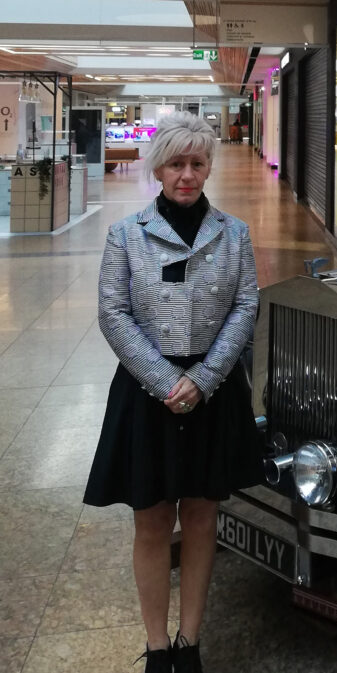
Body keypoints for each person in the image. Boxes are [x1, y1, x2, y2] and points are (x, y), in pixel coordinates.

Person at [84, 111, 262, 673]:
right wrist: (165, 381)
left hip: (212, 390)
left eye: (197, 163)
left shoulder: (233, 234)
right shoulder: (125, 235)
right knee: (153, 517)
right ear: (158, 167)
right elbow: (112, 313)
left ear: (209, 166)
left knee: (204, 513)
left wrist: (204, 379)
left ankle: (190, 641)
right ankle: (157, 645)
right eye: (176, 163)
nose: (187, 174)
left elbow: (245, 305)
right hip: (147, 393)